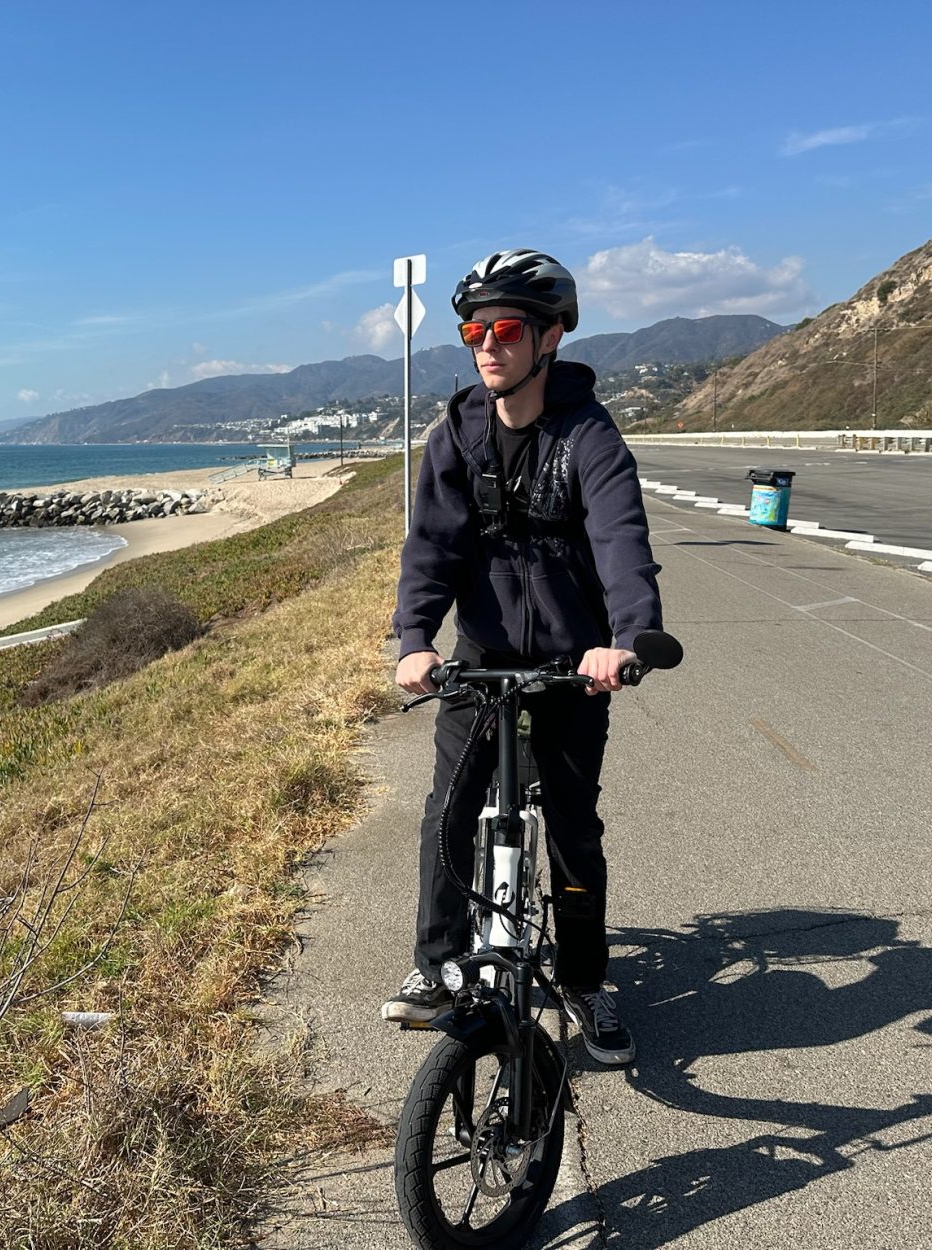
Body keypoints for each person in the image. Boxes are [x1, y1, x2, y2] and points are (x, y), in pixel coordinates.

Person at [383, 248, 666, 1065]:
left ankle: (583, 979)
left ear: (549, 338)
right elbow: (430, 547)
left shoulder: (589, 437)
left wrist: (627, 638)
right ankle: (436, 969)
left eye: (505, 328)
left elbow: (621, 541)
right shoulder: (458, 434)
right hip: (482, 657)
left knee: (575, 830)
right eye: (474, 329)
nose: (486, 344)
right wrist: (414, 641)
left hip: (577, 665)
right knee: (448, 810)